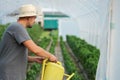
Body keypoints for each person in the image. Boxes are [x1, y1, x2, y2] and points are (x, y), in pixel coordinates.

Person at [0, 4, 57, 80]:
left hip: (12, 73)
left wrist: (34, 59)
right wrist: (50, 56)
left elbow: (13, 55)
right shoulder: (17, 27)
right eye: (34, 18)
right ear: (28, 17)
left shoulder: (17, 27)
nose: (35, 21)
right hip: (10, 74)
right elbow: (35, 49)